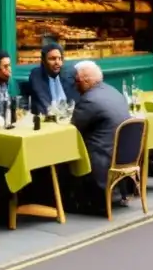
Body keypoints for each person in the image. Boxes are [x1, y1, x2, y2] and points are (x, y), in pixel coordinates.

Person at [70, 61, 131, 209]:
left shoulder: (89, 100)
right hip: (123, 155)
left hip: (102, 158)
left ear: (85, 81)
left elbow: (73, 129)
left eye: (76, 81)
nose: (75, 86)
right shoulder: (114, 92)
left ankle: (67, 199)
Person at [26, 43, 77, 115]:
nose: (57, 62)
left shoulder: (69, 74)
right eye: (52, 59)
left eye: (60, 58)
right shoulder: (36, 75)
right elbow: (44, 104)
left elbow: (74, 102)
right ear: (43, 61)